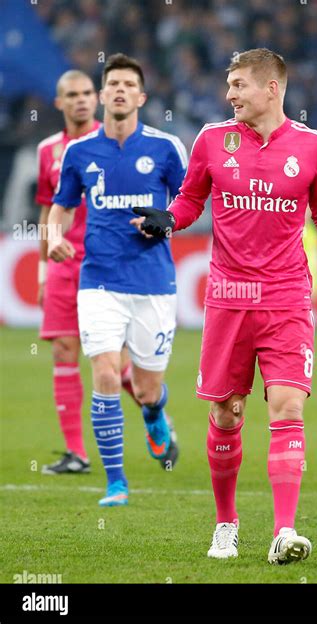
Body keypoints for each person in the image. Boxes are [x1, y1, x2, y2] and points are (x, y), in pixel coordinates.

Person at [132, 48, 317, 564]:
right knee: (227, 413)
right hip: (229, 298)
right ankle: (226, 524)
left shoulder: (313, 146)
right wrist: (170, 218)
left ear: (271, 88)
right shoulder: (213, 140)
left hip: (286, 298)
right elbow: (192, 198)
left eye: (238, 84)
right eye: (229, 85)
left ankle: (283, 532)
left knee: (288, 406)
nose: (229, 94)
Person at [47, 54, 187, 506]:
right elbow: (63, 204)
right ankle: (116, 482)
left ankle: (154, 414)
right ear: (103, 95)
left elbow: (190, 204)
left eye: (130, 84)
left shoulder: (166, 148)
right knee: (106, 373)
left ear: (142, 97)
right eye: (114, 84)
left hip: (152, 283)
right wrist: (52, 236)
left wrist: (165, 222)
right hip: (99, 281)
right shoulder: (79, 152)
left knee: (146, 388)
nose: (121, 91)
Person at [36, 69, 140, 475]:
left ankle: (153, 409)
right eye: (71, 95)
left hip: (105, 262)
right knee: (63, 349)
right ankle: (76, 453)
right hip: (63, 263)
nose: (80, 100)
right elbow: (48, 209)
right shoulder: (48, 150)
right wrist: (43, 270)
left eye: (85, 93)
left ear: (95, 99)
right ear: (59, 103)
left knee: (115, 362)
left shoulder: (112, 141)